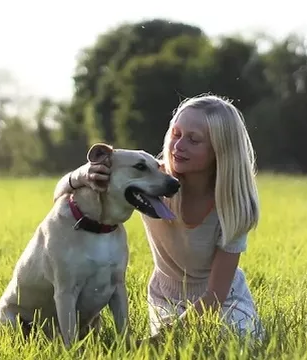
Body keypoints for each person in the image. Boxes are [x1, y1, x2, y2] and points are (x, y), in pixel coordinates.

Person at [51, 94, 265, 343]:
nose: (178, 146)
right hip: (167, 298)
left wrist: (156, 341)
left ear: (220, 150)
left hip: (223, 299)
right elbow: (60, 195)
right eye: (176, 134)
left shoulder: (234, 205)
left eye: (194, 140)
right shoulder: (149, 179)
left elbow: (215, 296)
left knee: (234, 342)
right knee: (181, 348)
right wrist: (82, 175)